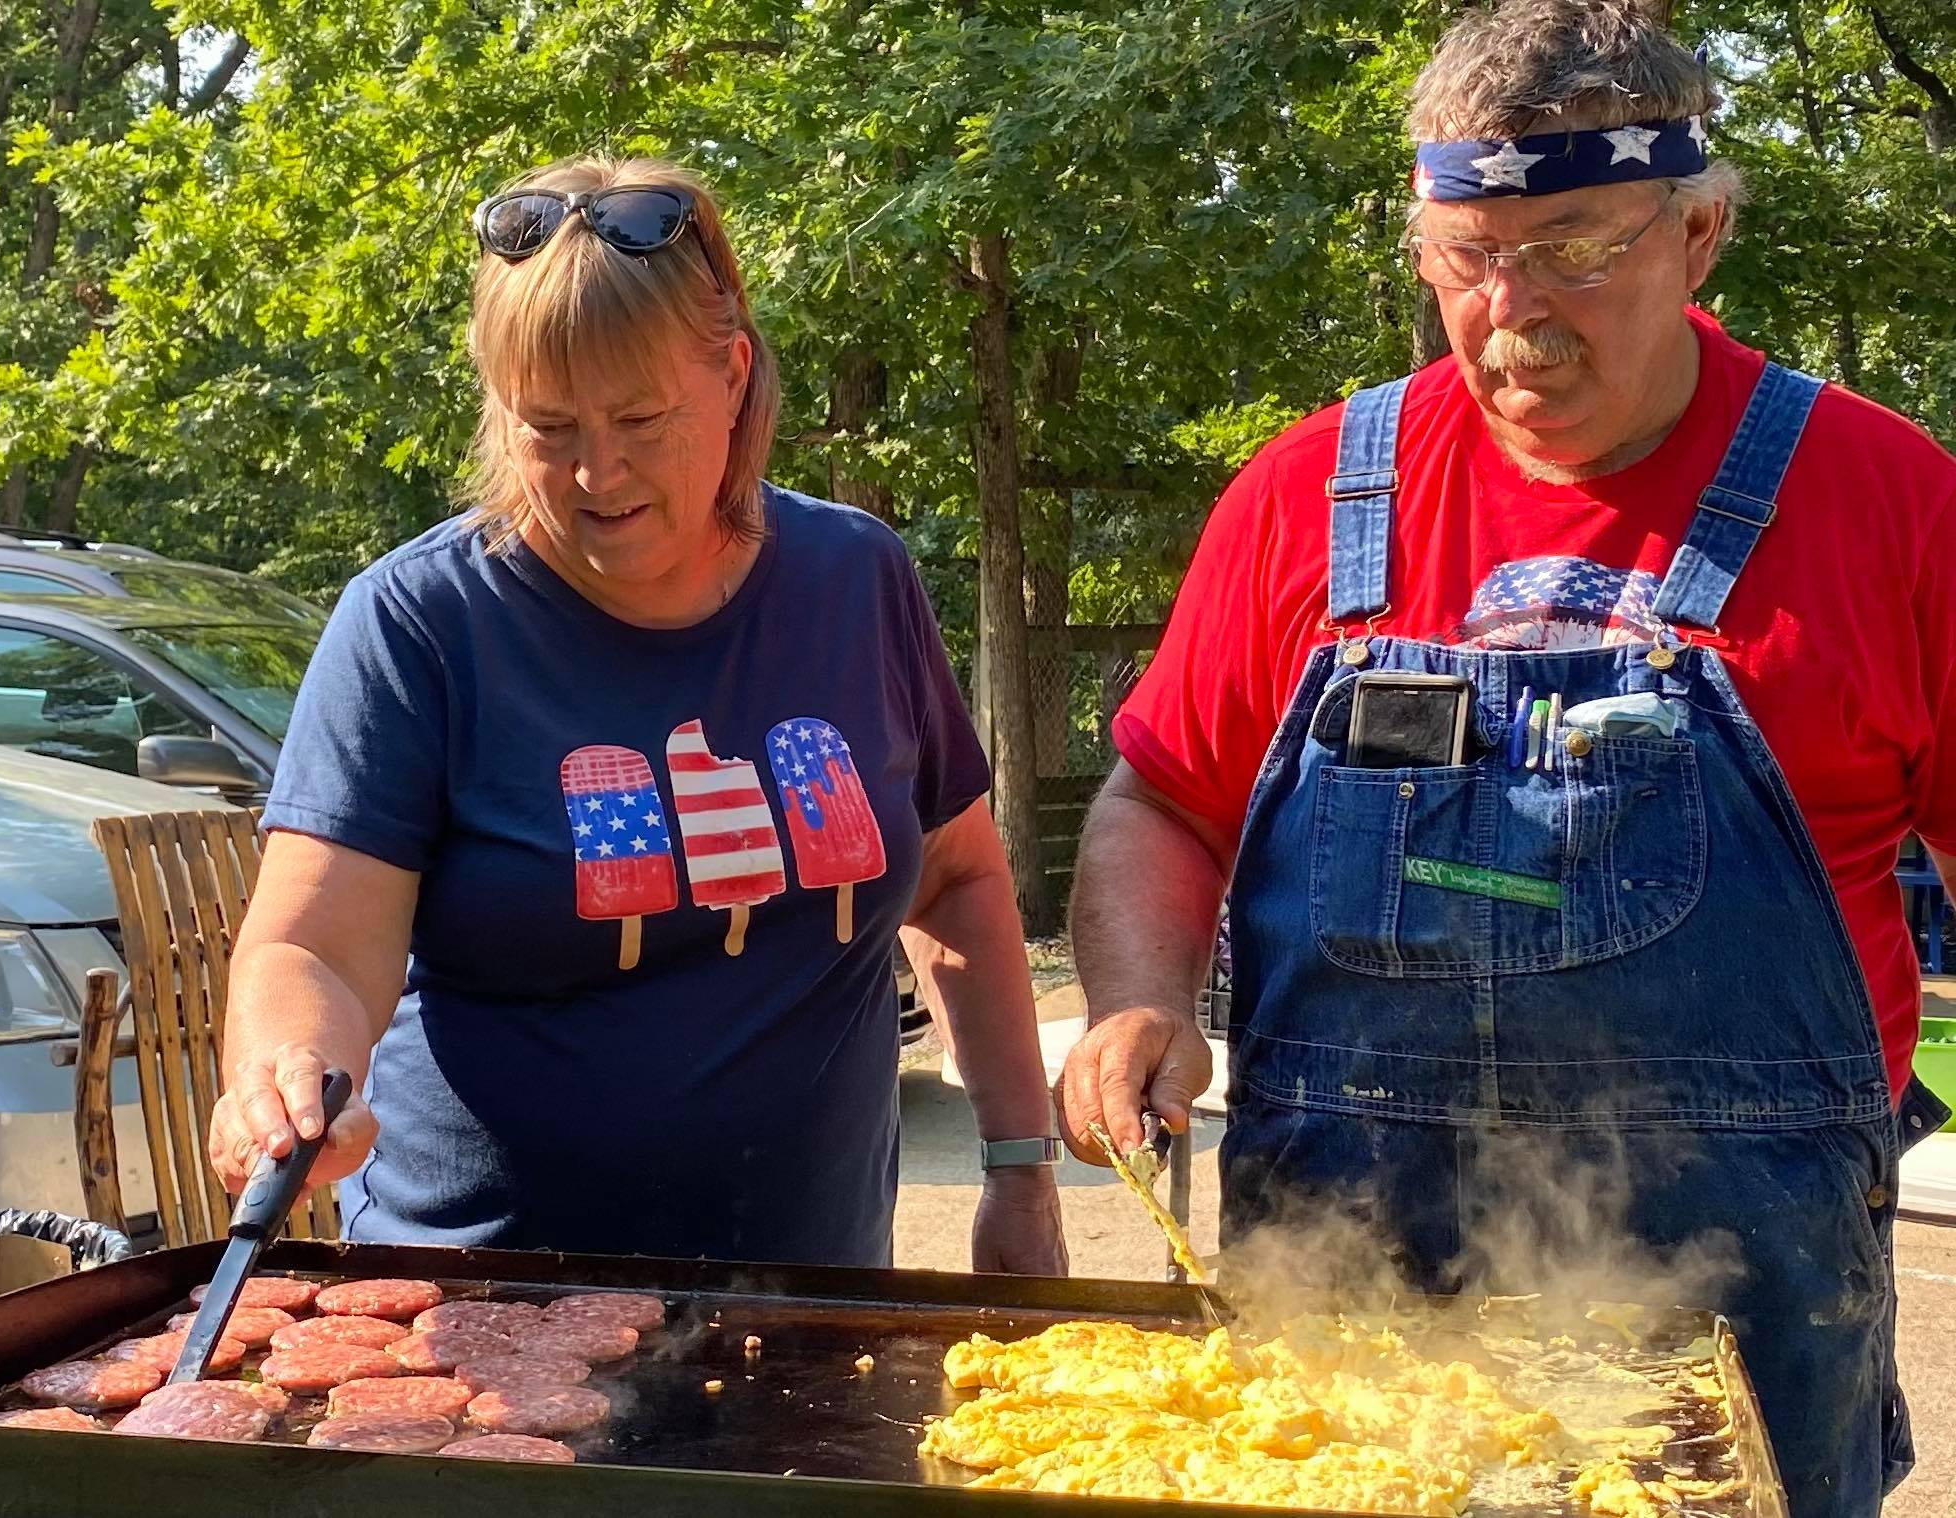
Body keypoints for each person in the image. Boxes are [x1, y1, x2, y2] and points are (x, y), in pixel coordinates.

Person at [1057, 2, 1955, 1511]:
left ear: (1699, 235)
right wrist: (1137, 1001)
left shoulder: (1892, 501)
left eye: (1576, 249)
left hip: (1744, 1306)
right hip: (1346, 1292)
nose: (1514, 310)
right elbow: (1161, 798)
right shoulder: (1301, 497)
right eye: (1466, 255)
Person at [208, 154, 1067, 1277]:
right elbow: (314, 944)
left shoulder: (856, 581)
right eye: (548, 425)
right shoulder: (420, 623)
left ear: (733, 374)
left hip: (814, 1300)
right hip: (481, 1305)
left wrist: (1019, 1166)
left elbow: (954, 879)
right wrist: (287, 1064)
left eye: (640, 418)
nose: (596, 473)